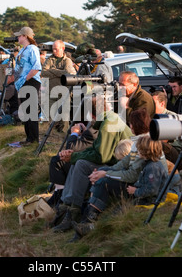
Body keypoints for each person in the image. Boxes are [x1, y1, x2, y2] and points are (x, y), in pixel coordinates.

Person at [51, 95, 133, 233]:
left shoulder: (108, 125)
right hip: (117, 162)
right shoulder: (108, 120)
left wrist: (75, 156)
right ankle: (66, 206)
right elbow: (97, 148)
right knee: (76, 162)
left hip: (121, 166)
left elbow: (102, 156)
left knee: (81, 164)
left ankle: (73, 211)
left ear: (92, 114)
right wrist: (73, 155)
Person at [73, 135, 168, 238]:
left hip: (148, 200)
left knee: (117, 213)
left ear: (147, 151)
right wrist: (104, 171)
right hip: (142, 196)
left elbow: (152, 190)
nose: (137, 151)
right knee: (116, 211)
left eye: (139, 149)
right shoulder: (148, 163)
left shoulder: (153, 167)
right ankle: (88, 225)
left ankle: (91, 227)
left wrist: (135, 191)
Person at [13, 27, 42, 146]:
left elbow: (36, 67)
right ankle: (28, 137)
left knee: (31, 111)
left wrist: (25, 79)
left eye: (20, 35)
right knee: (26, 111)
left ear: (25, 36)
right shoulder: (22, 50)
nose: (18, 37)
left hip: (30, 82)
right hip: (22, 83)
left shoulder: (33, 49)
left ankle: (33, 138)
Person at [41, 40, 77, 132]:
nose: (54, 51)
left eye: (56, 49)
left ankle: (63, 137)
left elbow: (68, 73)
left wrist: (52, 71)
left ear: (63, 49)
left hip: (64, 92)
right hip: (51, 92)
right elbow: (43, 72)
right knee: (50, 116)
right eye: (53, 49)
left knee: (64, 118)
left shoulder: (67, 60)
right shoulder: (49, 59)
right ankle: (51, 136)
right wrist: (59, 73)